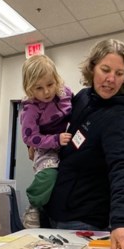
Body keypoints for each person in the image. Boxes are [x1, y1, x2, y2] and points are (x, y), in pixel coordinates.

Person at [44, 39, 124, 249]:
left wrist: (122, 222)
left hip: (86, 220)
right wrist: (41, 141)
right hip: (58, 211)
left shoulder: (121, 115)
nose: (111, 79)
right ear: (92, 68)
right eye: (105, 70)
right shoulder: (83, 98)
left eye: (119, 73)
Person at [19, 54, 73, 229]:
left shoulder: (66, 93)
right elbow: (29, 137)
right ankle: (34, 206)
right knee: (48, 174)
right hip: (44, 146)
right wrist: (54, 140)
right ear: (30, 89)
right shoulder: (31, 108)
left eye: (50, 84)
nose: (47, 92)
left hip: (66, 141)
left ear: (57, 80)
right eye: (39, 88)